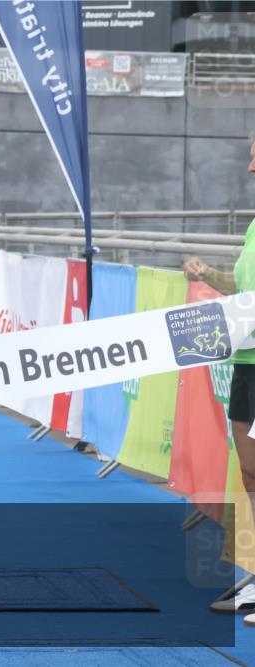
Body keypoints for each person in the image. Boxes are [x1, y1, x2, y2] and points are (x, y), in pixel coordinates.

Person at [187, 137, 255, 625]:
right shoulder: (254, 225)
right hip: (247, 362)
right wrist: (207, 273)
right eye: (250, 157)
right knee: (250, 473)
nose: (250, 168)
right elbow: (246, 291)